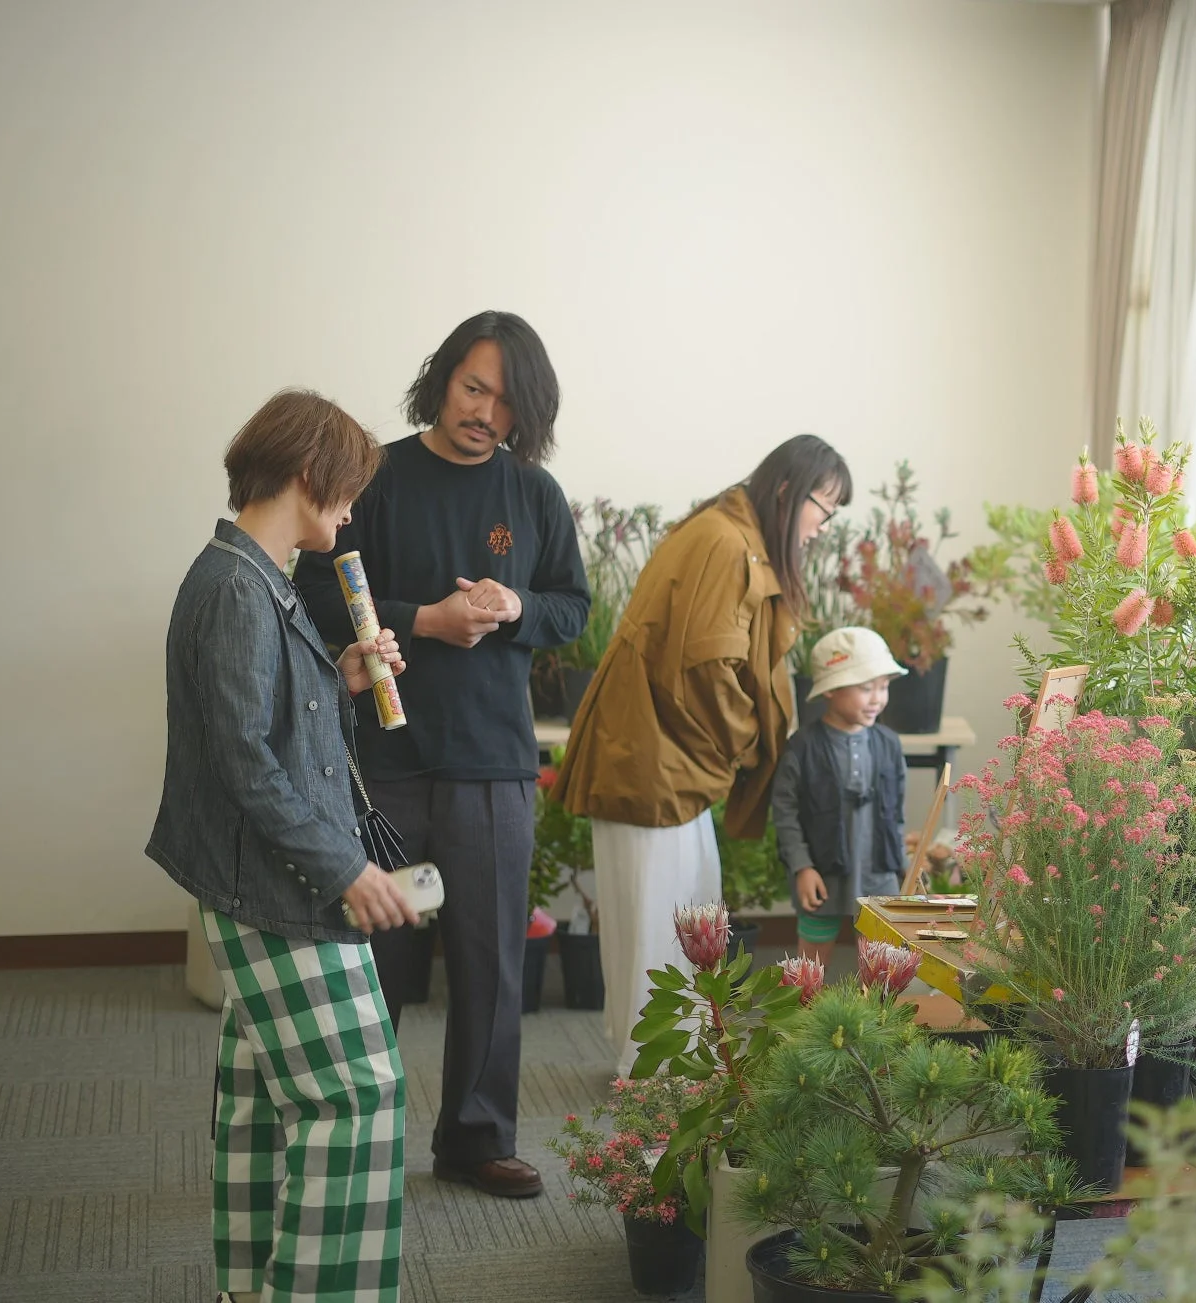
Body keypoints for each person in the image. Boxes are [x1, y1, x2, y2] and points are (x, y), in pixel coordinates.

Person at [297, 311, 589, 1201]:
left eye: (505, 400)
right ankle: (359, 1135)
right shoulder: (378, 478)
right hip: (385, 758)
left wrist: (512, 608)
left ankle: (475, 1137)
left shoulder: (534, 494)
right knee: (373, 961)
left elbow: (570, 607)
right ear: (442, 379)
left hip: (495, 762)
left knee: (492, 959)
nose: (484, 411)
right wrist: (425, 618)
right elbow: (313, 587)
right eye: (472, 387)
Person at [147, 389, 417, 1303]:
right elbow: (243, 764)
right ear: (309, 475)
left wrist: (340, 674)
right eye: (346, 491)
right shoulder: (234, 584)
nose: (349, 512)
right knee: (357, 1096)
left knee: (267, 1102)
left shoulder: (252, 574)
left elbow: (263, 720)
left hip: (263, 878)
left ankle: (252, 1285)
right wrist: (349, 867)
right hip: (279, 884)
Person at [554, 434, 851, 1075]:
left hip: (661, 758)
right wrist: (746, 743)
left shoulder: (729, 532)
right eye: (823, 510)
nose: (823, 529)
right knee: (665, 927)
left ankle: (664, 1066)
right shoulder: (726, 541)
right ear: (787, 492)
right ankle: (659, 1077)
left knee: (678, 918)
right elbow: (711, 667)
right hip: (653, 762)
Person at [771, 627, 911, 964]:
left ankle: (880, 1014)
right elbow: (785, 812)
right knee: (812, 963)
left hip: (878, 869)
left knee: (883, 960)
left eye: (884, 686)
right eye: (866, 688)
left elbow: (895, 812)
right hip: (823, 872)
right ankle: (806, 1009)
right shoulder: (803, 747)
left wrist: (904, 866)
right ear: (831, 690)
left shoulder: (889, 744)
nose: (877, 698)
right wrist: (802, 867)